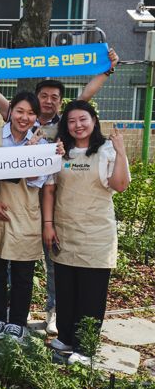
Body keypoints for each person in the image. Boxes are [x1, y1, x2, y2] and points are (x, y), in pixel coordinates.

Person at [0, 48, 119, 335]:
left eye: (53, 98)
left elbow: (85, 97)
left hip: (42, 204)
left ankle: (51, 312)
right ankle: (0, 316)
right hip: (6, 204)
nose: (46, 103)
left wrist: (106, 69)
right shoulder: (1, 132)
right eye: (41, 98)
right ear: (15, 110)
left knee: (45, 264)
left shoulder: (62, 128)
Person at [42, 100, 130, 365]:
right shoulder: (60, 151)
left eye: (83, 119)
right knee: (65, 289)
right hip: (65, 230)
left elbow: (120, 185)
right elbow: (49, 189)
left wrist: (121, 151)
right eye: (71, 121)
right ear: (65, 126)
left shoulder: (105, 150)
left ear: (93, 121)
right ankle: (66, 338)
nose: (78, 125)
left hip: (96, 233)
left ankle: (85, 346)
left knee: (91, 293)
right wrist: (48, 224)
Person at [0, 92, 62, 342]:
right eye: (19, 111)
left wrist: (31, 153)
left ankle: (17, 321)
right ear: (10, 111)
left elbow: (39, 182)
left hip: (26, 213)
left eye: (30, 113)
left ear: (37, 117)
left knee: (23, 273)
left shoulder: (44, 146)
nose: (24, 118)